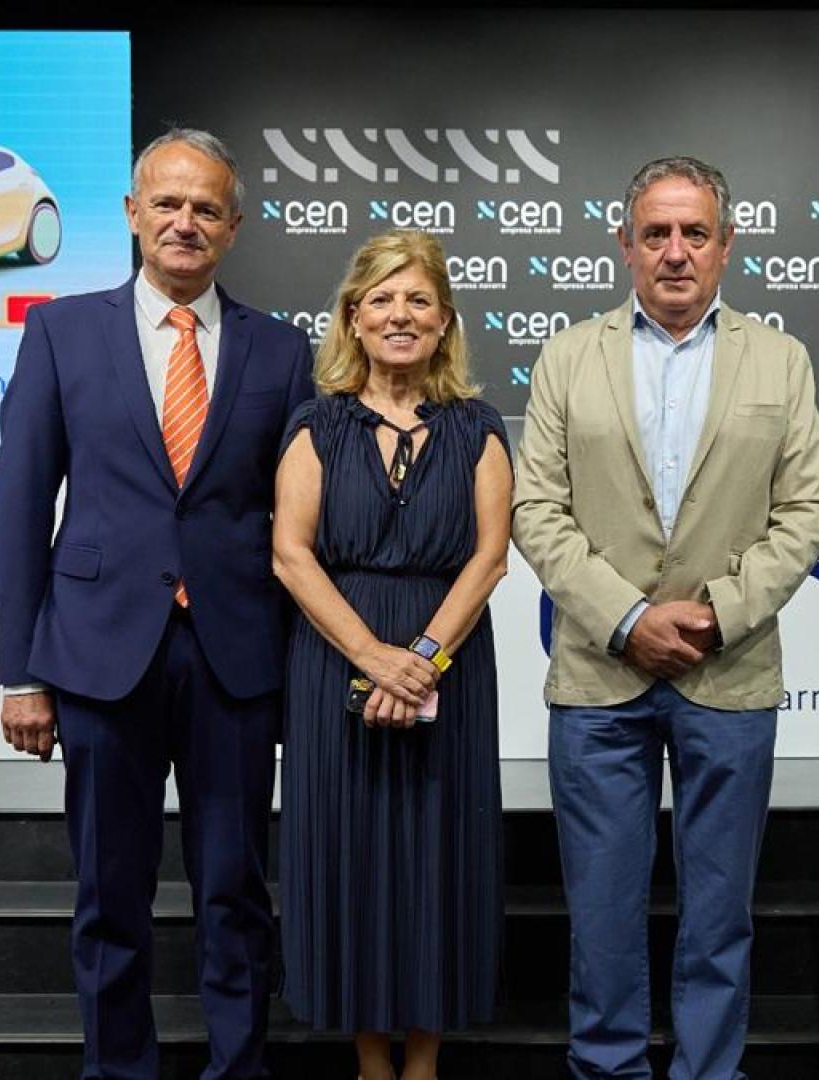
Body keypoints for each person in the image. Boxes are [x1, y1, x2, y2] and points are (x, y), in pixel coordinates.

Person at [0, 128, 314, 1080]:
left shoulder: (281, 349)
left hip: (234, 660)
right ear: (132, 214)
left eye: (206, 208)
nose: (185, 222)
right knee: (109, 893)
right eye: (167, 204)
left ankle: (238, 1067)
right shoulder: (61, 331)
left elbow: (299, 524)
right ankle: (116, 1068)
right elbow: (19, 505)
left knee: (235, 892)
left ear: (235, 227)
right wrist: (21, 671)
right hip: (95, 656)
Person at [513, 156, 819, 1080]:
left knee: (719, 914)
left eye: (696, 233)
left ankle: (708, 1072)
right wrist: (626, 619)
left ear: (727, 245)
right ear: (624, 244)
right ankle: (607, 1068)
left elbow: (807, 509)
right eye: (656, 233)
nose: (676, 251)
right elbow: (537, 509)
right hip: (599, 678)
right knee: (604, 913)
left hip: (727, 674)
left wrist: (714, 614)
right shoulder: (569, 355)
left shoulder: (780, 360)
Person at [273, 229, 511, 1080]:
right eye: (381, 299)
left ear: (445, 321)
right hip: (338, 654)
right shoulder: (315, 424)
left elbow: (488, 558)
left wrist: (422, 661)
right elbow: (290, 555)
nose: (400, 315)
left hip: (445, 659)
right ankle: (372, 1062)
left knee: (438, 860)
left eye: (418, 300)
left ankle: (426, 1062)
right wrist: (374, 656)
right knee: (350, 860)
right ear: (352, 318)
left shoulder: (479, 428)